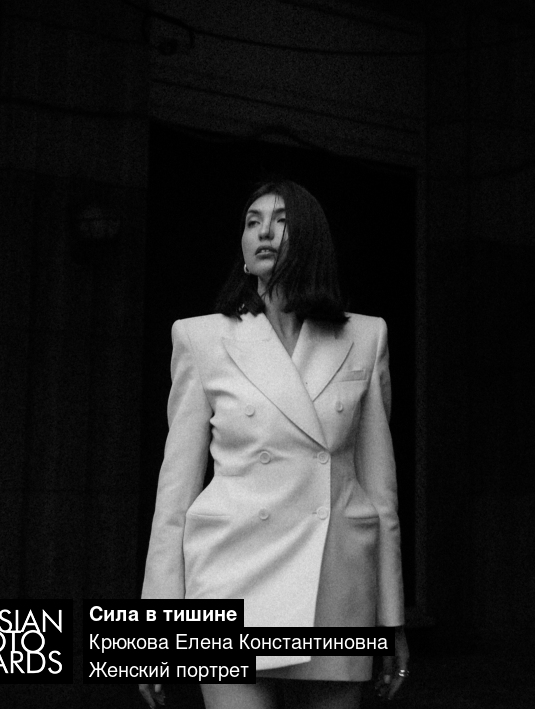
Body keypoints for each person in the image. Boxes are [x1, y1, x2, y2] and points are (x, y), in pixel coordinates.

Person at [139, 178, 409, 708]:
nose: (263, 232)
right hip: (230, 577)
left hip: (335, 583)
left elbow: (381, 495)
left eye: (281, 221)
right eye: (252, 222)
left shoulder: (365, 336)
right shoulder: (201, 338)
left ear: (310, 240)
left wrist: (391, 620)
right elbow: (174, 496)